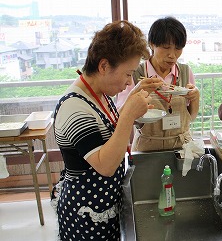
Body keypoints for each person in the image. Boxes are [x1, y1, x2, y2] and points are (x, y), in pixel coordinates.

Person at [52, 20, 152, 240]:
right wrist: (128, 114)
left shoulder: (99, 93)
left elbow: (109, 132)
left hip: (105, 203)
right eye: (128, 74)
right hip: (86, 213)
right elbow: (105, 165)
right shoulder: (74, 107)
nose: (129, 82)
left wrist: (134, 98)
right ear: (104, 66)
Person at [115, 17, 200, 152]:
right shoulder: (135, 73)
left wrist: (195, 98)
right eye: (166, 47)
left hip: (182, 147)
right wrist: (136, 92)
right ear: (151, 44)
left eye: (178, 48)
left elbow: (191, 117)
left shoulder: (185, 71)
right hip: (147, 147)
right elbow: (119, 117)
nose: (172, 55)